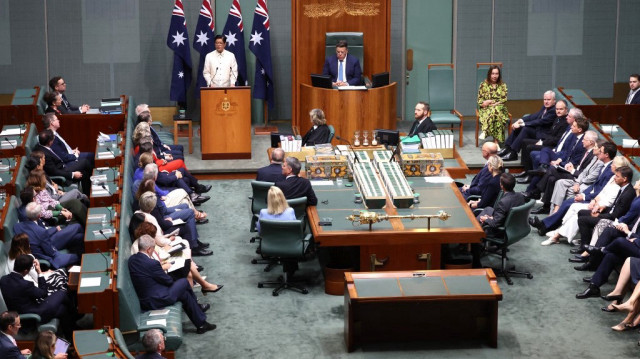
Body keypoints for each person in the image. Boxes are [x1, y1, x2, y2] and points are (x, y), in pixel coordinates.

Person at [128, 235, 217, 334]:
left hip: (147, 297)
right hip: (156, 299)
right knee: (183, 282)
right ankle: (198, 309)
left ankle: (201, 324)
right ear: (149, 249)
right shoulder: (151, 263)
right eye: (153, 249)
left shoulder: (132, 260)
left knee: (184, 294)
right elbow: (168, 281)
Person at [0, 256, 74, 338]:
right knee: (61, 293)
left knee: (62, 309)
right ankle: (76, 311)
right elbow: (43, 293)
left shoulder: (3, 280)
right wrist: (39, 272)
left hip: (20, 311)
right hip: (33, 314)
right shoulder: (25, 285)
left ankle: (70, 335)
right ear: (26, 271)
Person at [529, 132, 599, 214]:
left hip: (576, 178)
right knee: (552, 178)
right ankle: (546, 207)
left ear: (591, 142)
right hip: (572, 172)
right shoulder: (585, 150)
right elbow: (579, 165)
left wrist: (573, 171)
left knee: (552, 169)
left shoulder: (593, 155)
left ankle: (536, 191)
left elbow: (585, 173)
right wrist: (571, 165)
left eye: (584, 139)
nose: (582, 141)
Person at [13, 202, 82, 268]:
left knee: (78, 237)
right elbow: (50, 252)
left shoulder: (16, 226)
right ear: (39, 215)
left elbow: (38, 236)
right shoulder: (40, 232)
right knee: (79, 256)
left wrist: (53, 230)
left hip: (36, 248)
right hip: (45, 255)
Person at [515, 100, 570, 183]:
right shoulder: (558, 118)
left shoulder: (565, 122)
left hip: (552, 146)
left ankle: (530, 176)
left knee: (529, 147)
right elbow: (551, 134)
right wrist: (542, 140)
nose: (558, 111)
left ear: (566, 110)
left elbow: (556, 140)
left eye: (561, 109)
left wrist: (542, 143)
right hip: (548, 141)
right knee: (525, 141)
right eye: (557, 109)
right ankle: (527, 171)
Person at [497, 91, 557, 161]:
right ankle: (507, 148)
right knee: (520, 127)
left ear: (554, 100)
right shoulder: (545, 107)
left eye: (548, 100)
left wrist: (523, 124)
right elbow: (535, 116)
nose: (546, 102)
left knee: (526, 129)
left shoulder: (553, 111)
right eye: (545, 99)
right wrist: (521, 120)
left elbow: (540, 121)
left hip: (543, 135)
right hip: (537, 130)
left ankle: (513, 152)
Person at [35, 129, 91, 196]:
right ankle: (89, 196)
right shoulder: (45, 155)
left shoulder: (42, 146)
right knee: (85, 162)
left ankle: (88, 195)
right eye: (53, 139)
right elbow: (54, 172)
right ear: (50, 142)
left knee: (85, 173)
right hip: (62, 173)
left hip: (63, 167)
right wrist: (72, 174)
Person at [477, 65, 509, 142]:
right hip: (486, 109)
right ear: (489, 74)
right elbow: (480, 101)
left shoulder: (503, 85)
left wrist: (490, 102)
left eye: (496, 74)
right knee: (495, 114)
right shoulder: (483, 85)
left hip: (500, 108)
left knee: (496, 111)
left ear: (499, 74)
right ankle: (497, 142)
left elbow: (504, 99)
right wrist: (487, 103)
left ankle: (486, 130)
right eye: (493, 73)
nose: (494, 76)